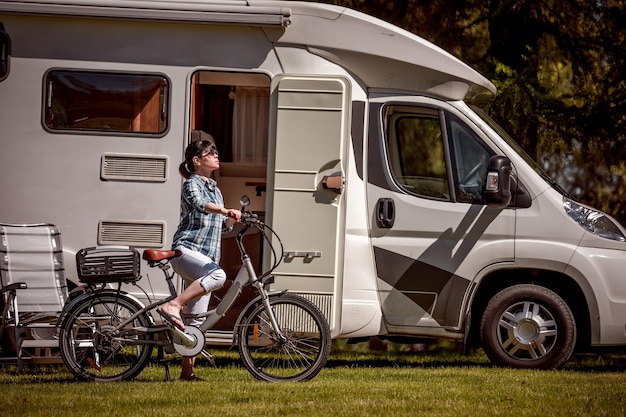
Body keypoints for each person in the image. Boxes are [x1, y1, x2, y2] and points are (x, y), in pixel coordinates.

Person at [158, 130, 241, 381]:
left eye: (215, 152)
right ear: (196, 160)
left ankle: (187, 372)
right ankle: (173, 305)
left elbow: (218, 221)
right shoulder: (192, 183)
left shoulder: (215, 187)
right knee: (218, 275)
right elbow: (199, 204)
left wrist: (231, 219)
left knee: (196, 320)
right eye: (210, 153)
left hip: (205, 256)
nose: (216, 156)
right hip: (186, 250)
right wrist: (224, 209)